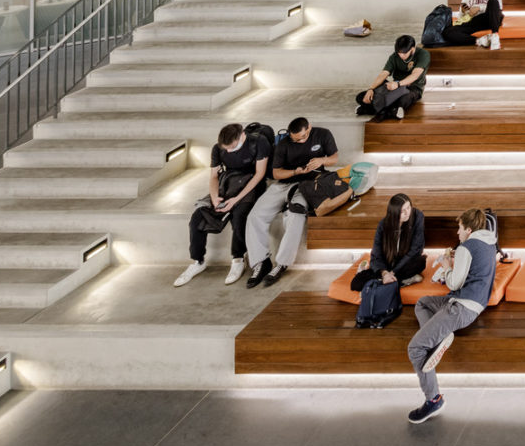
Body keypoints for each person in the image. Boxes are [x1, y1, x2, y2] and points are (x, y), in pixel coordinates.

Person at [406, 207, 499, 424]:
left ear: (467, 229)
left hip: (460, 308)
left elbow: (454, 283)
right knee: (423, 303)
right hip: (474, 305)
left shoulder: (467, 247)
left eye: (459, 229)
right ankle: (436, 341)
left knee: (416, 348)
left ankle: (433, 399)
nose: (457, 233)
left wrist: (448, 266)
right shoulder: (489, 243)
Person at [244, 117, 345, 287]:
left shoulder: (323, 134)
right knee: (254, 215)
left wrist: (322, 161)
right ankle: (261, 262)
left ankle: (282, 263)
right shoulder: (284, 144)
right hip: (285, 182)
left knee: (295, 215)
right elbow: (276, 173)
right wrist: (294, 172)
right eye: (296, 139)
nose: (299, 141)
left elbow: (334, 157)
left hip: (309, 184)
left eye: (303, 137)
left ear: (309, 128)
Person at [176, 122, 271, 287]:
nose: (229, 151)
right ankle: (198, 261)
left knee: (240, 214)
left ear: (242, 136)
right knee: (198, 216)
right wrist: (214, 197)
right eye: (226, 148)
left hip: (252, 183)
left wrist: (236, 199)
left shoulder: (258, 142)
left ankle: (238, 258)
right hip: (228, 182)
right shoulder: (218, 148)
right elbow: (213, 176)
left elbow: (259, 174)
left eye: (232, 147)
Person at [354, 193, 427, 328]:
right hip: (388, 265)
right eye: (402, 211)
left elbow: (416, 249)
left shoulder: (417, 216)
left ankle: (388, 282)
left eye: (408, 208)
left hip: (406, 262)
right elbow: (376, 255)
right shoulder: (383, 225)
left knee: (420, 262)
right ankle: (401, 281)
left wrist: (393, 272)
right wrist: (384, 273)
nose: (407, 213)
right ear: (394, 213)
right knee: (356, 283)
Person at [356, 35, 429, 122]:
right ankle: (391, 111)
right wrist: (371, 88)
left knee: (404, 99)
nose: (401, 56)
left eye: (404, 53)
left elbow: (415, 75)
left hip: (413, 88)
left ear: (412, 49)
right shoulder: (394, 56)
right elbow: (384, 74)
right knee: (361, 97)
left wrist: (398, 84)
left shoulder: (423, 54)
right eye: (399, 53)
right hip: (394, 86)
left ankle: (370, 109)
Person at [440, 0, 504, 49]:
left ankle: (495, 36)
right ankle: (479, 41)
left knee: (493, 1)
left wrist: (479, 8)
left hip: (491, 18)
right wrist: (464, 12)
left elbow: (497, 7)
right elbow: (460, 18)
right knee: (448, 32)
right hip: (476, 21)